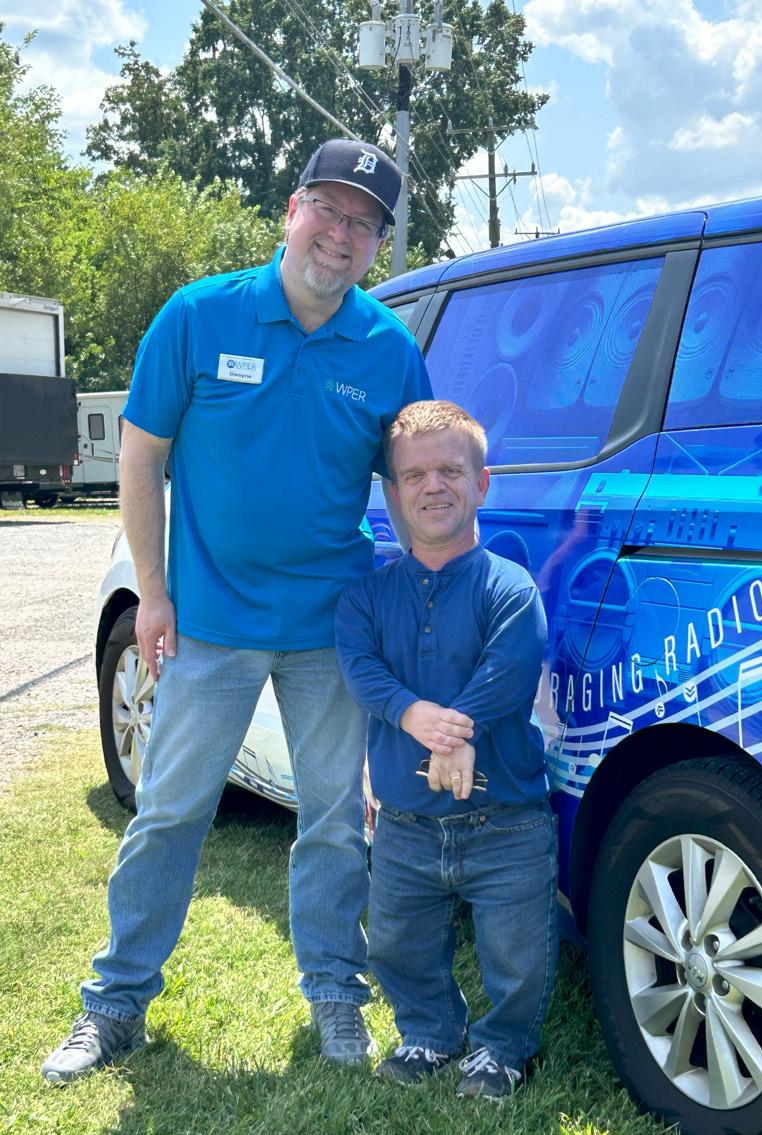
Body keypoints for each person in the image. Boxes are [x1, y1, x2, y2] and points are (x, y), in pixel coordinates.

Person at [43, 139, 433, 1084]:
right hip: (210, 623)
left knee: (335, 819)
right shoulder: (197, 313)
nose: (341, 235)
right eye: (328, 210)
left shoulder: (388, 349)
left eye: (364, 223)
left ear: (378, 243)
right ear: (291, 210)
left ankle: (335, 990)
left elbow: (416, 480)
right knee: (172, 811)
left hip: (331, 629)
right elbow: (142, 455)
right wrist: (152, 589)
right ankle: (115, 1003)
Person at [335, 400, 558, 1100]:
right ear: (394, 492)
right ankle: (429, 1032)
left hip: (507, 821)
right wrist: (416, 715)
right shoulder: (366, 597)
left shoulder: (510, 588)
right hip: (404, 822)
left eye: (450, 471)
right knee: (396, 943)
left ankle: (503, 1048)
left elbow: (510, 667)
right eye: (414, 475)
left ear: (481, 483)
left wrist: (454, 727)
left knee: (517, 954)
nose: (433, 485)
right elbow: (361, 667)